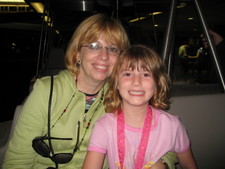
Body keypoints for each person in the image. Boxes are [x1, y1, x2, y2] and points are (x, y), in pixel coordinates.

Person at [2, 14, 176, 169]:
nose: (104, 56)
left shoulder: (124, 94)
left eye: (113, 48)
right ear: (78, 53)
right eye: (94, 46)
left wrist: (162, 163)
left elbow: (166, 136)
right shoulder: (47, 91)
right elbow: (18, 160)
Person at [82, 45, 198, 169]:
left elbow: (188, 165)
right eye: (127, 74)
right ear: (116, 82)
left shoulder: (172, 126)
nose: (136, 81)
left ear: (157, 83)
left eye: (146, 74)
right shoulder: (104, 126)